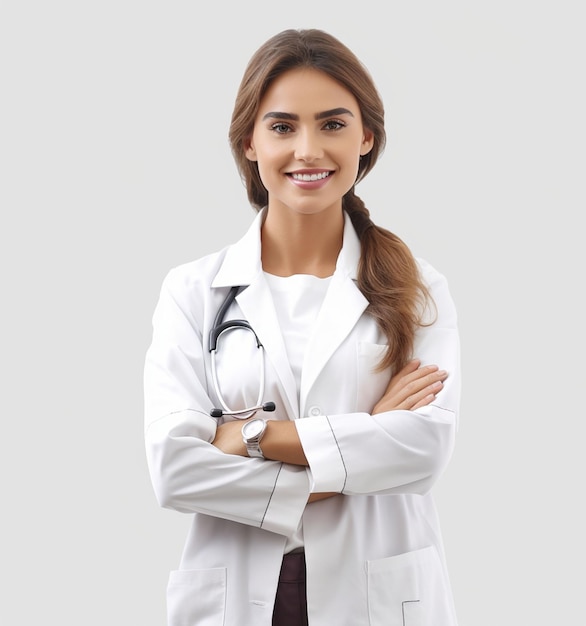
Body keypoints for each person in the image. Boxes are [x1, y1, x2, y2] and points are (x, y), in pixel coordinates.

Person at [144, 28, 461, 626]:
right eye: (283, 127)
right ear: (249, 143)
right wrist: (366, 433)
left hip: (376, 592)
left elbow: (421, 452)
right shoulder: (190, 291)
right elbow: (175, 469)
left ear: (367, 137)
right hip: (239, 596)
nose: (309, 150)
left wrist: (253, 438)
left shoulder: (417, 288)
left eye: (333, 124)